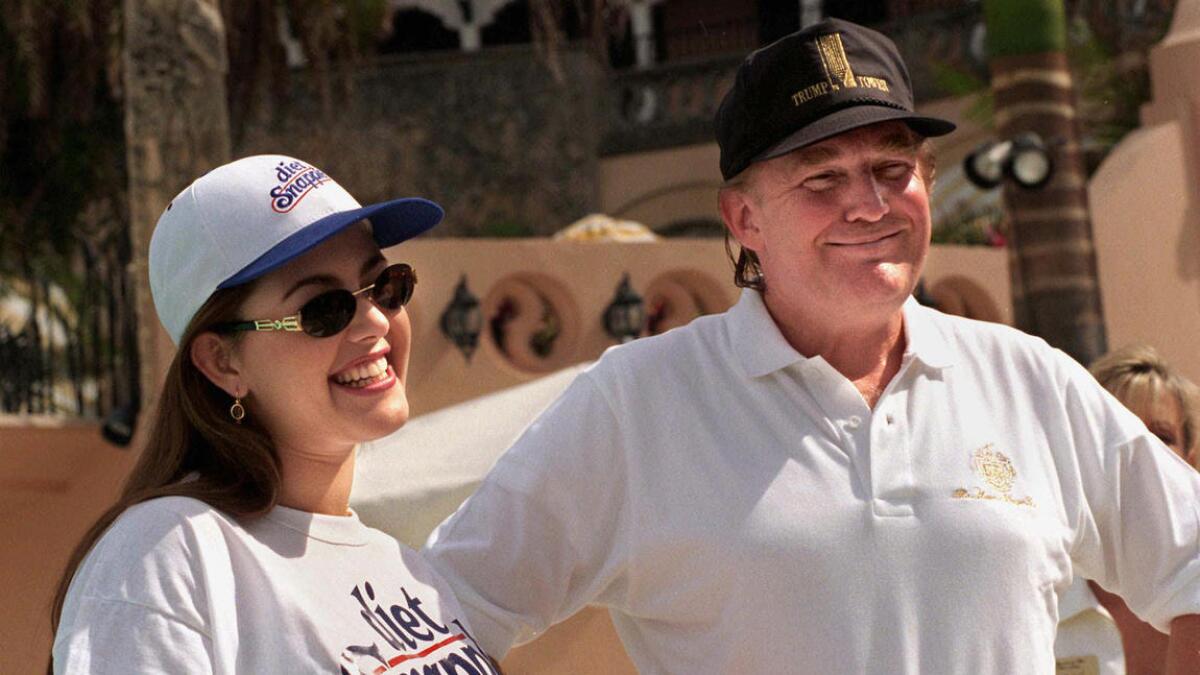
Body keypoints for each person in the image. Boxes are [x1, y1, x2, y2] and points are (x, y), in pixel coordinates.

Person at [421, 18, 1200, 674]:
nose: (870, 204)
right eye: (821, 178)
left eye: (893, 168)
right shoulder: (638, 402)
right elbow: (441, 609)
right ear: (744, 219)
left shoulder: (1029, 378)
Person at [51, 155, 497, 675]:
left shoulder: (404, 569)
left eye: (385, 285)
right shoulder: (167, 553)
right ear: (222, 362)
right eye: (323, 309)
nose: (375, 320)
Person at [1055, 344, 1200, 675]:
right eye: (1118, 437)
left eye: (1160, 437)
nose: (1142, 458)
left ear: (1189, 459)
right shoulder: (1040, 592)